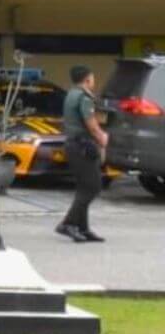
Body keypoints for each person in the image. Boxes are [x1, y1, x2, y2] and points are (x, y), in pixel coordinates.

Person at [56, 65, 108, 243]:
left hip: (74, 145)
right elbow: (91, 124)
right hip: (83, 146)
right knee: (93, 186)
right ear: (87, 79)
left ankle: (83, 228)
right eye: (92, 78)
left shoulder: (71, 94)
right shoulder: (84, 97)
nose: (94, 81)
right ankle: (67, 224)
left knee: (84, 187)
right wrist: (102, 137)